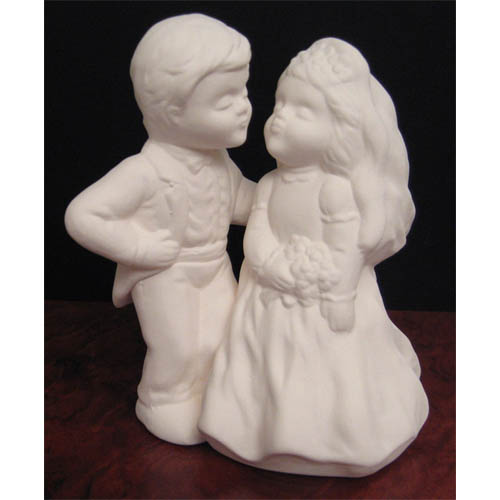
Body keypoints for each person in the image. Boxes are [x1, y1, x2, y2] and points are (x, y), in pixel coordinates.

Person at [199, 38, 429, 476]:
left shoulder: (335, 189)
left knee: (328, 372)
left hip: (327, 302)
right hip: (269, 300)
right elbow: (257, 236)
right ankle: (257, 432)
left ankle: (337, 440)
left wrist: (337, 294)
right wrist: (274, 267)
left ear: (341, 130)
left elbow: (347, 249)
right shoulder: (270, 185)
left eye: (303, 111)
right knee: (267, 370)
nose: (281, 117)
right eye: (280, 104)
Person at [64, 14, 255, 445]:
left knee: (223, 333)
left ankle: (212, 396)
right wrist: (139, 247)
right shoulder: (144, 171)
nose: (244, 105)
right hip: (166, 272)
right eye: (224, 99)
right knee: (178, 346)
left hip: (214, 265)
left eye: (243, 91)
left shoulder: (219, 161)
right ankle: (162, 400)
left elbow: (242, 200)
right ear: (171, 112)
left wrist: (284, 199)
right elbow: (83, 215)